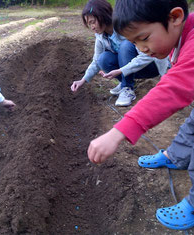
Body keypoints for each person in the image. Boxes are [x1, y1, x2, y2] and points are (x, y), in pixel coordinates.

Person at [87, 0, 194, 230]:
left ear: (175, 17)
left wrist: (119, 132)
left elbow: (174, 89)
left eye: (143, 38)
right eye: (134, 42)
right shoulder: (182, 36)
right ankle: (176, 156)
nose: (141, 48)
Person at [70, 0, 169, 107]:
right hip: (132, 69)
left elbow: (147, 55)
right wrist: (83, 80)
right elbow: (96, 61)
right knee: (103, 59)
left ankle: (127, 88)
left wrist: (121, 70)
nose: (92, 27)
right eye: (89, 24)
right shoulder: (100, 36)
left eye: (93, 22)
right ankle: (125, 83)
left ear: (103, 16)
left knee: (125, 45)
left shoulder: (125, 27)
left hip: (150, 66)